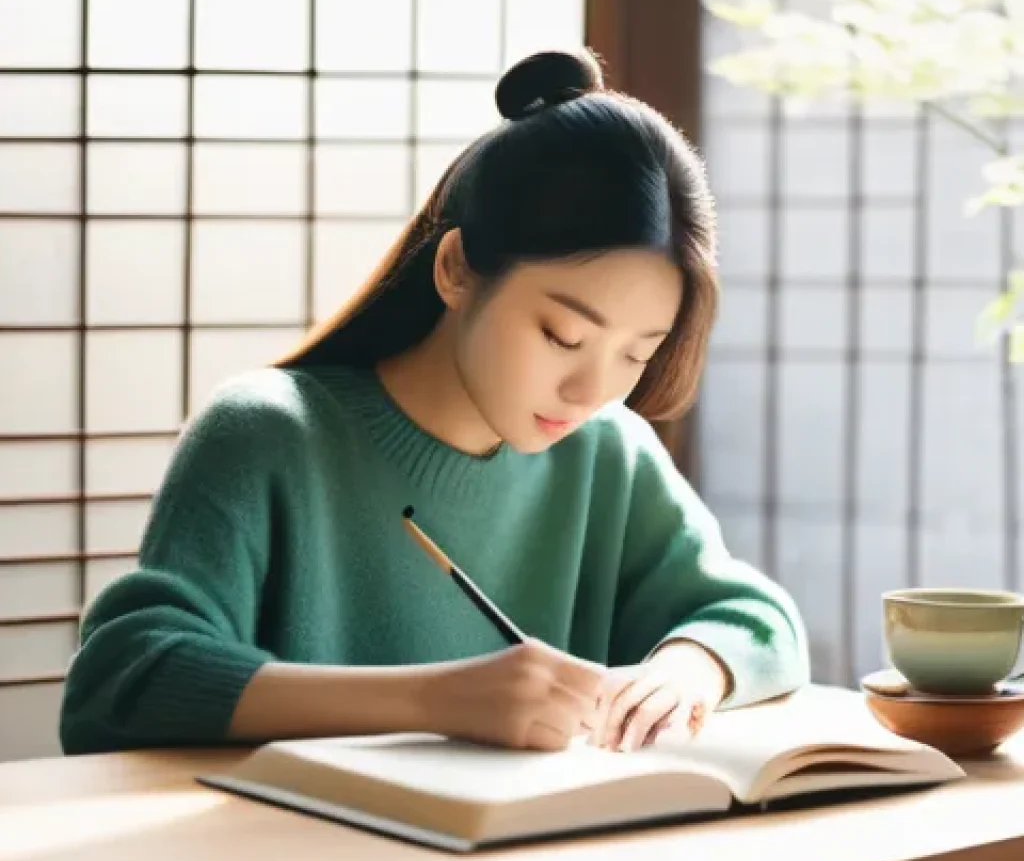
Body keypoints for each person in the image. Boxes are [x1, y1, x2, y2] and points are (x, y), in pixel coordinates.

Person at [59, 48, 809, 757]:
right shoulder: (267, 436)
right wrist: (434, 700)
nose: (591, 390)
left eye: (637, 353)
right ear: (455, 269)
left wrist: (683, 672)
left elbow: (754, 618)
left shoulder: (606, 450)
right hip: (293, 848)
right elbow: (123, 680)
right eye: (563, 335)